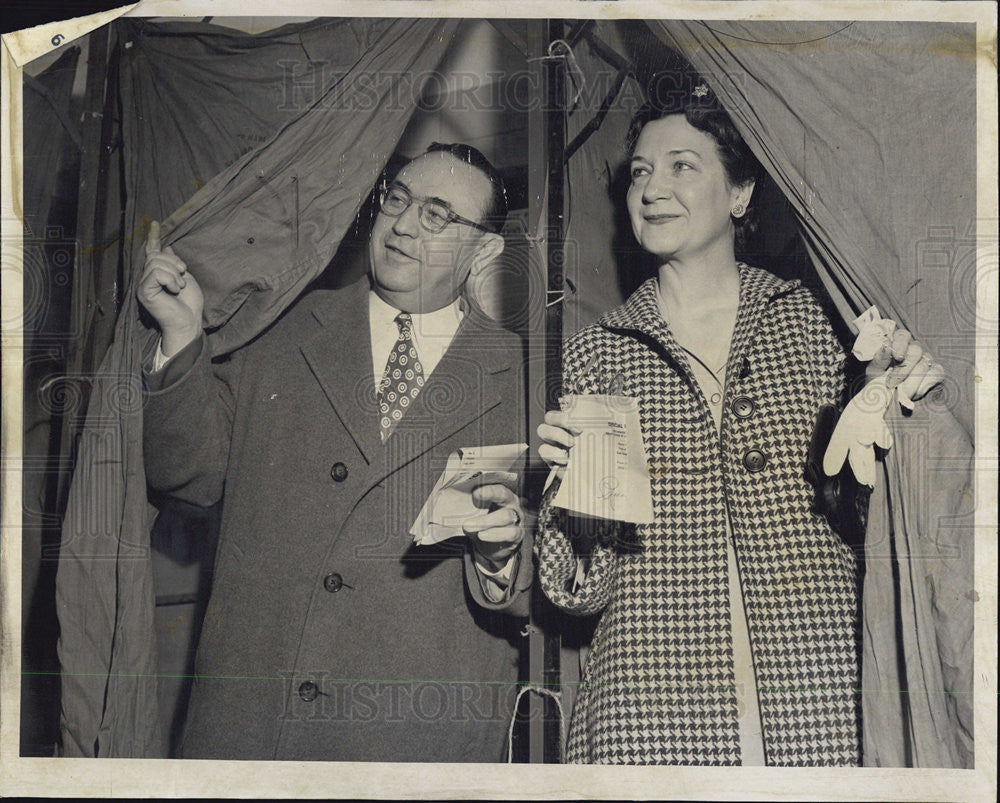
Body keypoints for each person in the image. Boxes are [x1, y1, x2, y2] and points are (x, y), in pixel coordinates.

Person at [534, 84, 942, 765]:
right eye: (639, 171)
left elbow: (872, 522)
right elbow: (576, 592)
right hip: (649, 714)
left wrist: (893, 415)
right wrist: (579, 505)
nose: (651, 188)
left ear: (740, 193)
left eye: (681, 165)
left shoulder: (814, 324)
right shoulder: (598, 351)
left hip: (817, 696)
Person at [138, 142, 531, 761]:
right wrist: (182, 338)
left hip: (412, 747)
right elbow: (187, 476)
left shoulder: (525, 376)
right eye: (397, 199)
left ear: (483, 251)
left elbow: (558, 575)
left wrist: (502, 559)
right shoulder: (280, 327)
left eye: (437, 214)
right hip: (255, 734)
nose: (403, 225)